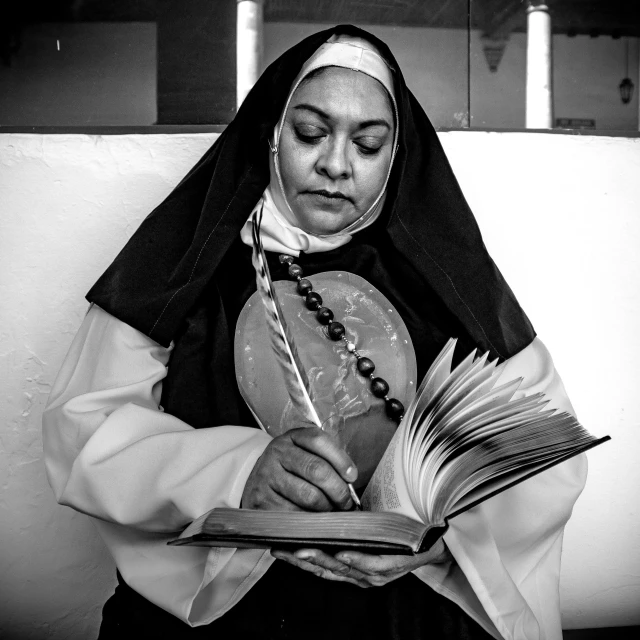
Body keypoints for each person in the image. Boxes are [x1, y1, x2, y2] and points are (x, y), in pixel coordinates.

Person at [42, 25, 586, 640]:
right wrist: (236, 473)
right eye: (310, 133)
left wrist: (446, 543)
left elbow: (549, 456)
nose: (335, 163)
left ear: (395, 157)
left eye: (369, 143)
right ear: (272, 135)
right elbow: (83, 430)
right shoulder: (183, 262)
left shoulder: (445, 277)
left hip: (404, 618)